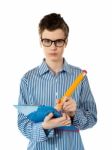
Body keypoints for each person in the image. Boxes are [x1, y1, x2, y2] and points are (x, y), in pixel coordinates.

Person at [18, 13, 97, 150]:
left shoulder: (79, 76)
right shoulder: (27, 79)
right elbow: (22, 123)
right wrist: (44, 127)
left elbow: (92, 118)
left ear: (66, 42)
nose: (53, 47)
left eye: (58, 41)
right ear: (40, 41)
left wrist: (74, 114)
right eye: (47, 41)